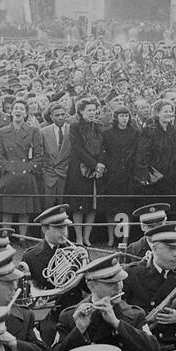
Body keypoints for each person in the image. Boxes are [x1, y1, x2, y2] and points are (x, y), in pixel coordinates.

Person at [53, 253, 158, 351]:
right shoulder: (70, 316)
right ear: (91, 285)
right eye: (111, 283)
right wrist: (79, 331)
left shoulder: (135, 315)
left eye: (120, 281)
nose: (119, 287)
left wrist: (117, 324)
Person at [123, 221, 176, 351]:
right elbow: (119, 307)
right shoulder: (132, 273)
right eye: (171, 248)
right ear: (155, 248)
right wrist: (140, 319)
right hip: (146, 346)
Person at [0, 98, 42, 231]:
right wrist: (8, 168)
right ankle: (5, 236)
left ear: (26, 113)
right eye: (16, 108)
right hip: (9, 175)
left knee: (24, 210)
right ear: (11, 112)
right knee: (7, 210)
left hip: (26, 174)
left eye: (22, 109)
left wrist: (29, 168)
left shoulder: (33, 131)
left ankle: (22, 238)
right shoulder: (2, 132)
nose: (18, 111)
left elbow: (39, 155)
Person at [132, 103, 176, 222]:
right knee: (155, 212)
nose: (169, 114)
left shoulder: (175, 131)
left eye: (170, 111)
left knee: (171, 210)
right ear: (158, 113)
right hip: (155, 178)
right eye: (165, 111)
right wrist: (144, 175)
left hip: (172, 178)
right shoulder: (149, 131)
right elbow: (142, 154)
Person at [66, 98, 105, 247]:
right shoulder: (75, 127)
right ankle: (78, 238)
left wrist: (99, 164)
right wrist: (94, 164)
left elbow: (103, 147)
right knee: (79, 205)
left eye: (94, 110)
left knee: (92, 204)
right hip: (80, 169)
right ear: (81, 111)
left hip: (97, 169)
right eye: (89, 110)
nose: (92, 113)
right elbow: (77, 148)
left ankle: (87, 237)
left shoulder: (99, 126)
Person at [101, 102, 139, 246]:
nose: (124, 119)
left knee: (126, 209)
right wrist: (108, 165)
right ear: (116, 117)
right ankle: (111, 238)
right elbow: (103, 152)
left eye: (126, 116)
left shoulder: (135, 133)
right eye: (121, 116)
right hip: (112, 174)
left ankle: (124, 239)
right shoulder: (107, 133)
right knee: (111, 208)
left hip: (128, 174)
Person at [36, 101, 71, 214]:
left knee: (64, 208)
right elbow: (40, 154)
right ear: (51, 116)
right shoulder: (44, 132)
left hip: (66, 174)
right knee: (48, 208)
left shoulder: (72, 130)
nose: (60, 117)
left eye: (62, 114)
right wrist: (45, 170)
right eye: (57, 115)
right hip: (49, 175)